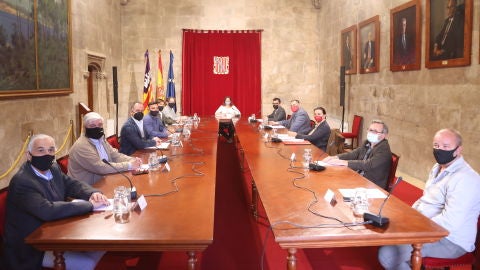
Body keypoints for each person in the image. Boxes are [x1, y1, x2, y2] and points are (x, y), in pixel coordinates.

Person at [1, 134, 109, 270]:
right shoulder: (23, 182)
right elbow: (47, 210)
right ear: (28, 155)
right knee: (87, 263)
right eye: (40, 150)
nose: (47, 154)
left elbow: (71, 184)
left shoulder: (53, 168)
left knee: (99, 246)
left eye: (51, 150)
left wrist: (93, 193)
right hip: (32, 248)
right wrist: (90, 205)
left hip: (56, 231)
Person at [378, 129, 480, 270]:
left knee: (388, 255)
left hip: (450, 240)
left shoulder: (466, 179)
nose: (439, 150)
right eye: (436, 145)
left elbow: (450, 222)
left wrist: (416, 227)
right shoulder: (437, 167)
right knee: (386, 233)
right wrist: (409, 216)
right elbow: (426, 198)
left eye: (446, 146)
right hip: (426, 227)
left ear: (458, 150)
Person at [68, 112, 142, 185]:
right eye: (92, 126)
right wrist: (129, 165)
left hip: (105, 180)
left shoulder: (101, 139)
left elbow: (115, 155)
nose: (97, 128)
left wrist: (132, 160)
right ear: (85, 128)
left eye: (100, 125)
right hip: (86, 189)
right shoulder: (81, 146)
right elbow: (100, 168)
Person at [323, 119, 392, 190]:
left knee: (336, 185)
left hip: (371, 184)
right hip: (358, 177)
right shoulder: (367, 142)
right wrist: (336, 157)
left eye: (374, 131)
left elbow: (368, 165)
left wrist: (343, 162)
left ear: (384, 135)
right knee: (332, 180)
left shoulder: (384, 150)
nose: (371, 133)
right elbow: (354, 154)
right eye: (370, 130)